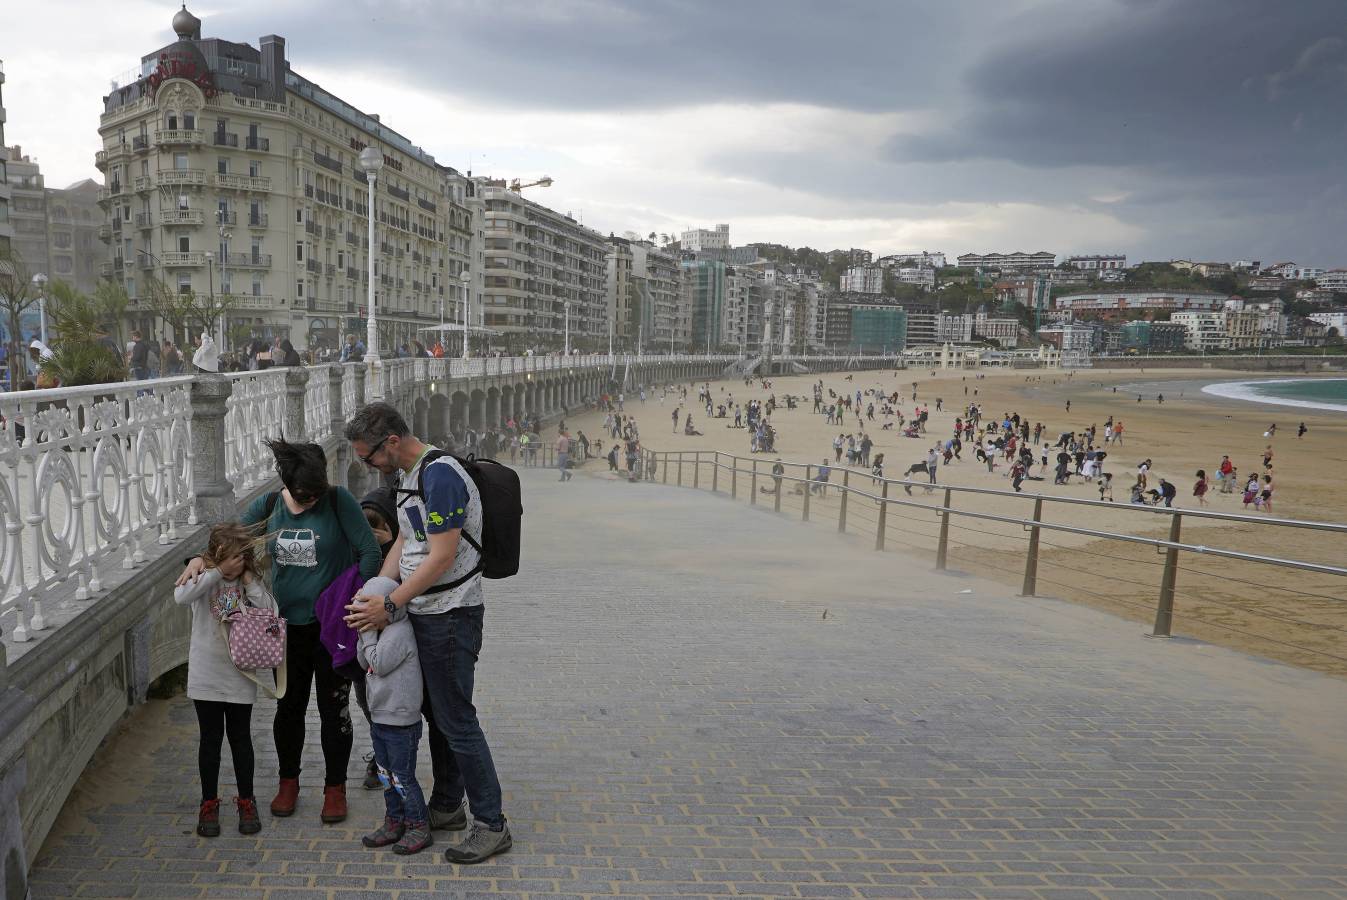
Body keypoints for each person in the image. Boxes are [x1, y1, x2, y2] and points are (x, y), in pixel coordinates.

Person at [177, 439, 383, 824]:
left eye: (315, 494)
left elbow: (369, 551)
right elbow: (229, 543)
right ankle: (288, 782)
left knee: (333, 708)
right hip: (285, 630)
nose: (309, 501)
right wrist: (198, 559)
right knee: (289, 709)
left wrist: (358, 600)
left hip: (331, 629)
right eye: (303, 495)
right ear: (286, 482)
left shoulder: (339, 502)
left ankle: (335, 788)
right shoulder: (269, 507)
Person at [344, 403, 512, 864]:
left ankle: (492, 824)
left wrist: (390, 604)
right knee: (439, 716)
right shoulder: (409, 478)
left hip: (451, 615)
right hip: (423, 610)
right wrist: (375, 590)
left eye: (368, 457)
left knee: (457, 721)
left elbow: (440, 555)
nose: (368, 466)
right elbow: (404, 539)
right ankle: (445, 807)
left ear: (392, 442)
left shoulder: (440, 475)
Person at [173, 523, 277, 838]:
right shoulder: (204, 579)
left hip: (239, 674)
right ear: (217, 556)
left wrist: (248, 580)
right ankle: (209, 803)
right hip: (206, 672)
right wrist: (214, 571)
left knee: (240, 739)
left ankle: (246, 800)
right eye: (228, 559)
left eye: (239, 559)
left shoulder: (249, 583)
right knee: (210, 740)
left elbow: (272, 612)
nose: (234, 565)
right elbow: (181, 596)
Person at [358, 573, 433, 855]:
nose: (364, 617)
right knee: (385, 774)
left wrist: (365, 633)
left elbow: (377, 663)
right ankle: (394, 820)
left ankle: (418, 824)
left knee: (402, 775)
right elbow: (362, 659)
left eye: (369, 610)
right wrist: (363, 633)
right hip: (380, 717)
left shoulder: (400, 631)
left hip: (401, 720)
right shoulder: (378, 631)